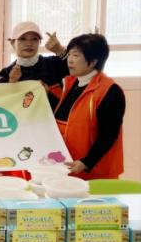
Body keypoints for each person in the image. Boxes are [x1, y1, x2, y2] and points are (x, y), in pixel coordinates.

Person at [54, 34, 125, 180]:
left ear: (93, 62)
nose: (70, 60)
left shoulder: (110, 91)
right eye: (69, 54)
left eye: (76, 55)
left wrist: (86, 162)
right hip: (69, 167)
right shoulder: (70, 83)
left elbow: (109, 136)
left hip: (95, 172)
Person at [0, 21, 68, 109]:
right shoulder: (6, 73)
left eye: (34, 39)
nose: (29, 44)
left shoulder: (53, 64)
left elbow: (77, 75)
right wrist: (12, 85)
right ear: (12, 43)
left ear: (40, 42)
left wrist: (60, 51)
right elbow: (3, 107)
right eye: (22, 39)